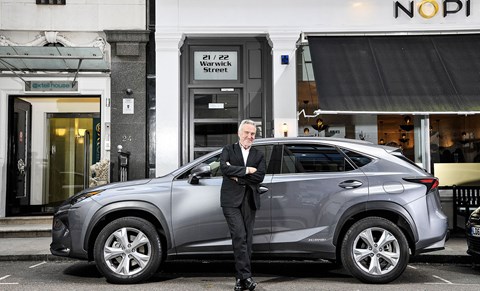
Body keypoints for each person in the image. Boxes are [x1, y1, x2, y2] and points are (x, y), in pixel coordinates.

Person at [220, 119, 266, 291]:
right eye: (247, 132)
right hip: (231, 202)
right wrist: (247, 170)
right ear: (239, 133)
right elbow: (224, 169)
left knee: (247, 239)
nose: (250, 136)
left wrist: (237, 175)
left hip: (249, 200)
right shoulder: (228, 150)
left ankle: (242, 278)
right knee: (239, 235)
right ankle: (245, 277)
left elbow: (259, 176)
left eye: (253, 133)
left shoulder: (259, 155)